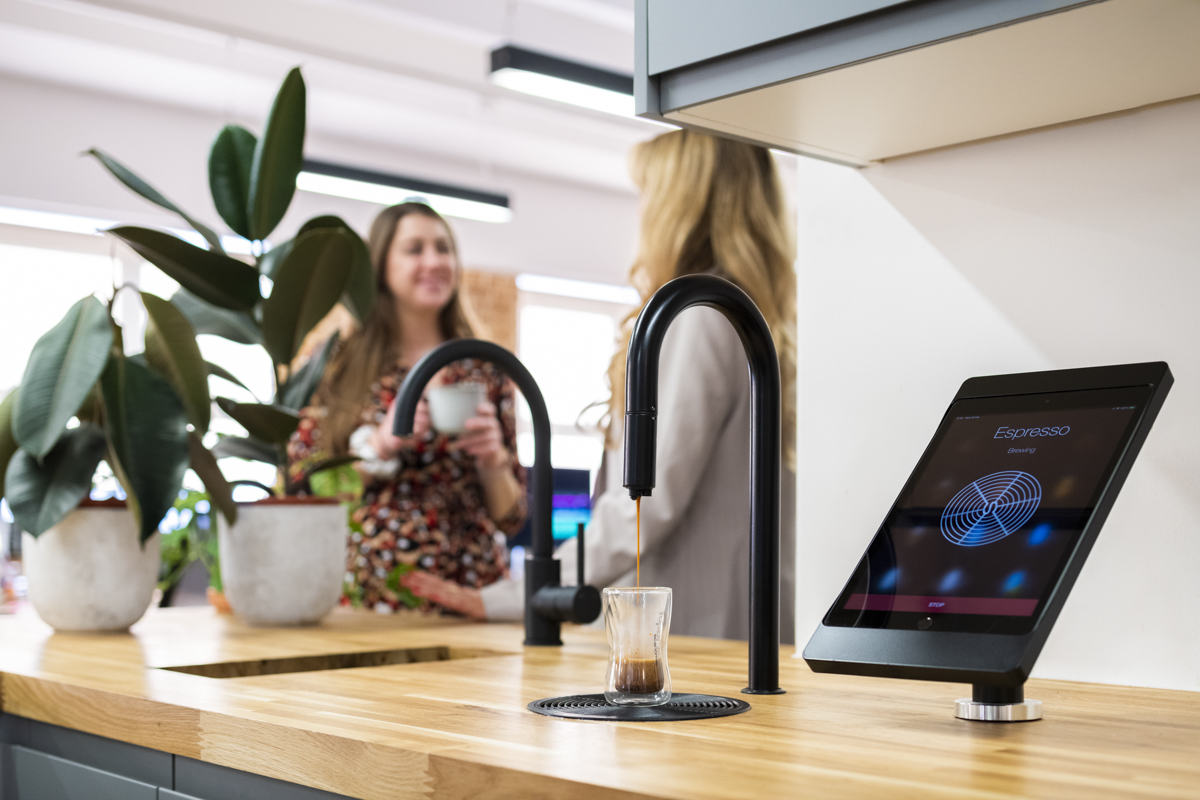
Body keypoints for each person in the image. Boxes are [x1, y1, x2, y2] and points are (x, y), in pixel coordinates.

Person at [403, 130, 798, 643]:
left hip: (696, 630)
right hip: (737, 619)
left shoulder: (699, 317)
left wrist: (516, 596)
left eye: (648, 192)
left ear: (681, 202)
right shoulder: (751, 315)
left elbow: (647, 499)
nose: (642, 209)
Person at [287, 202, 527, 613]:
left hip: (471, 592)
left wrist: (493, 462)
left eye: (443, 248)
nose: (434, 261)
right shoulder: (337, 365)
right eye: (414, 249)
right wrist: (378, 447)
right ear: (380, 265)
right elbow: (302, 490)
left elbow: (512, 519)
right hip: (371, 596)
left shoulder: (486, 369)